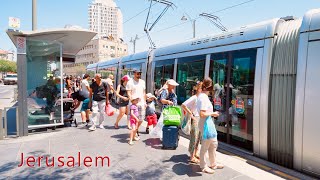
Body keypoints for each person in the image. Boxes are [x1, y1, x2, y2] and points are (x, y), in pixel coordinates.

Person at [197, 77, 223, 174]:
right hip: (205, 123)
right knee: (205, 145)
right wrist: (213, 114)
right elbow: (202, 114)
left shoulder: (203, 96)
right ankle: (203, 166)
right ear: (210, 87)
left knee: (213, 144)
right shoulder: (203, 97)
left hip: (208, 123)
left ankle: (213, 163)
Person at [181, 81, 203, 164]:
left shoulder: (201, 98)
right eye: (201, 88)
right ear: (197, 89)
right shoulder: (194, 97)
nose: (203, 90)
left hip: (200, 119)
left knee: (198, 138)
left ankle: (196, 153)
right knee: (194, 138)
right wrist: (190, 113)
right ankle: (192, 156)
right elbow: (183, 105)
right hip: (195, 119)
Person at [126, 69, 146, 135]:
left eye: (140, 74)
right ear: (134, 74)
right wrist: (132, 101)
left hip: (141, 103)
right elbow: (128, 93)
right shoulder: (130, 82)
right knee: (134, 119)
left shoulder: (143, 82)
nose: (139, 75)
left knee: (141, 119)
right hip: (134, 104)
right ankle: (134, 132)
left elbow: (144, 93)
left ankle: (136, 129)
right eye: (137, 74)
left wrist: (145, 102)